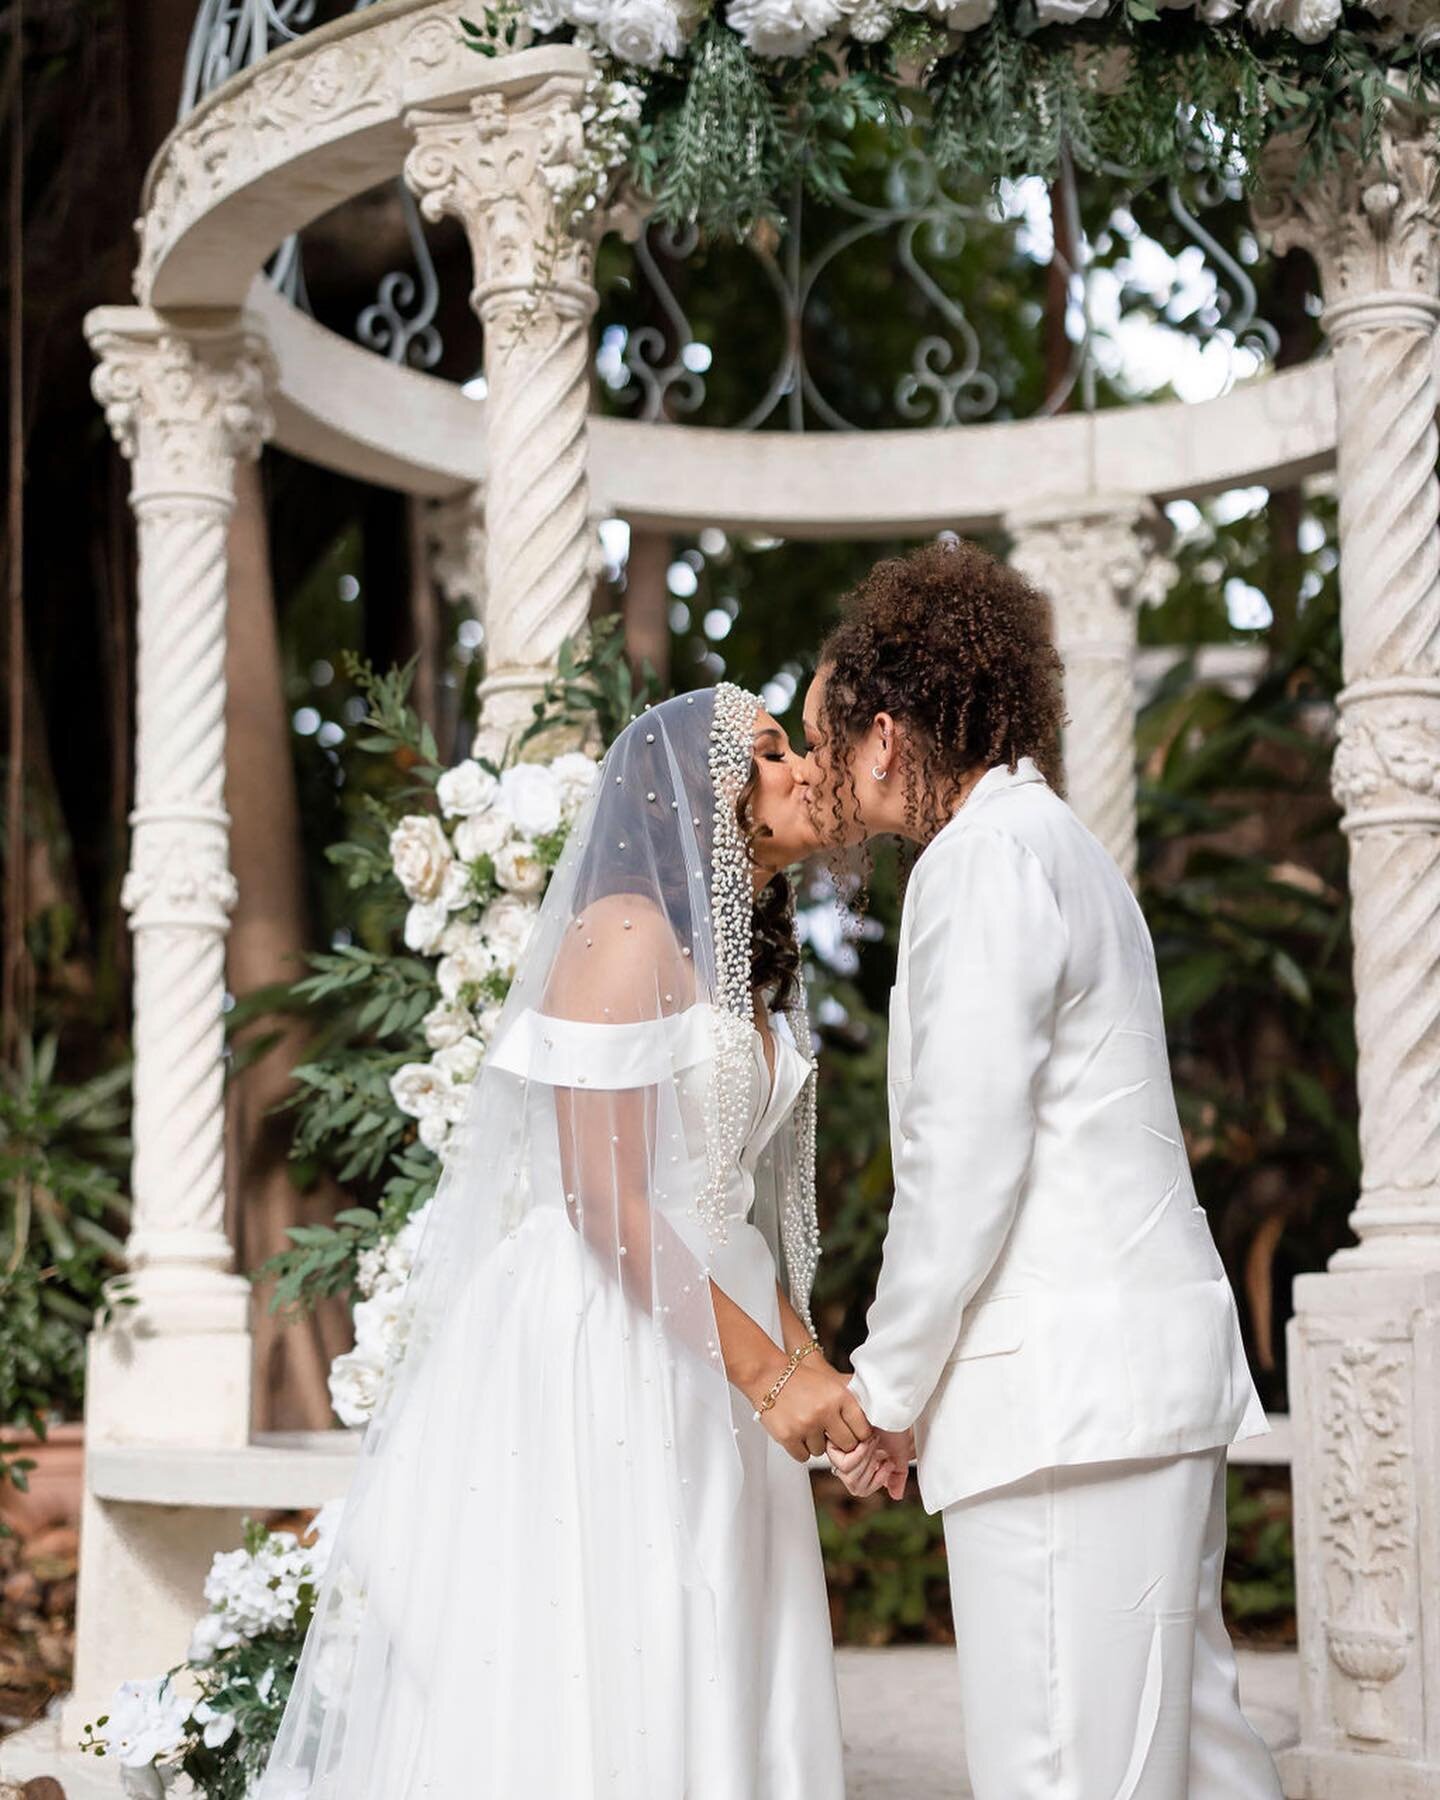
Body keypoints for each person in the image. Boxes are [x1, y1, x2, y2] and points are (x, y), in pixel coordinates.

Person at [256, 686, 870, 1800]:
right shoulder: (624, 931)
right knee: (621, 1634)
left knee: (725, 1633)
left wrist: (815, 1380)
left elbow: (723, 1205)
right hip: (614, 1328)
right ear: (698, 796)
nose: (804, 768)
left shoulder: (748, 964)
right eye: (770, 754)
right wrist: (766, 1373)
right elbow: (602, 1195)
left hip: (717, 1317)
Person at [803, 541, 1284, 1800]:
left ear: (889, 735)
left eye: (835, 746)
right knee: (1199, 1764)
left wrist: (888, 1389)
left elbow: (963, 1163)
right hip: (1133, 1386)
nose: (836, 789)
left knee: (1063, 1773)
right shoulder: (1056, 841)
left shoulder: (978, 862)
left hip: (1067, 1407)